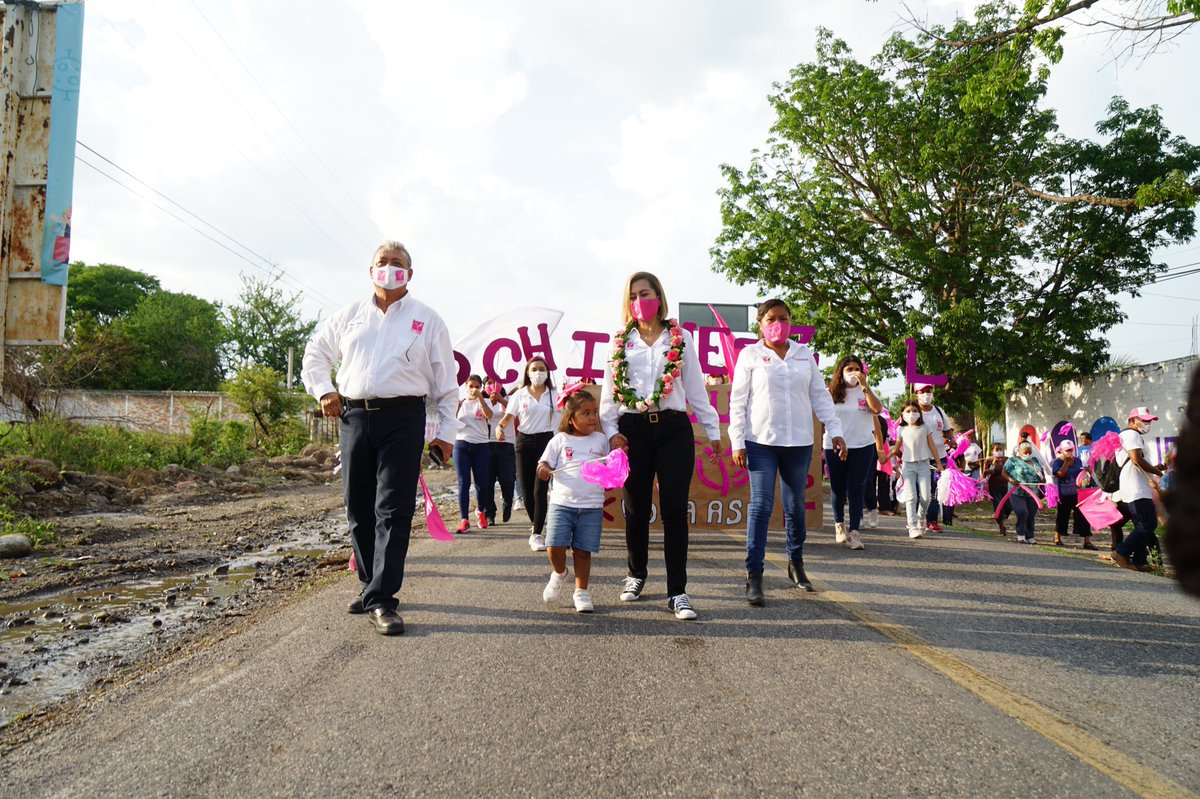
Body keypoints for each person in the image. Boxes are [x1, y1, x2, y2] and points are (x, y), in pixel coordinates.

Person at [300, 239, 457, 636]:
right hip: (354, 416)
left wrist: (446, 435)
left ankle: (384, 599)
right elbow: (315, 355)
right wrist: (324, 390)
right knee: (358, 505)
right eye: (382, 262)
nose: (389, 267)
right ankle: (370, 585)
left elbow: (446, 382)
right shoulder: (350, 315)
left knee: (393, 508)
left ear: (410, 273)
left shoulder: (427, 319)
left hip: (404, 418)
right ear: (370, 272)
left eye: (398, 262)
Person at [601, 272, 723, 620]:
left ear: (659, 296)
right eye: (634, 295)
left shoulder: (679, 339)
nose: (641, 301)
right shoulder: (619, 343)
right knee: (636, 507)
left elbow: (696, 389)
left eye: (647, 293)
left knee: (673, 509)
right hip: (632, 430)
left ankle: (677, 592)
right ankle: (636, 574)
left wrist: (712, 430)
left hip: (673, 429)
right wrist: (612, 433)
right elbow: (609, 395)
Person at [730, 299, 846, 605]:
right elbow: (738, 401)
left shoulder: (802, 354)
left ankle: (796, 564)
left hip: (798, 443)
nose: (778, 323)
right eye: (771, 318)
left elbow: (819, 396)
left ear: (791, 322)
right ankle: (754, 575)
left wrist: (835, 432)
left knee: (795, 508)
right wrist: (737, 441)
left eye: (783, 318)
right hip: (760, 442)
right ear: (760, 323)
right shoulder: (751, 354)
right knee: (761, 506)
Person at [536, 386, 610, 613]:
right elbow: (544, 463)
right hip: (561, 504)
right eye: (585, 413)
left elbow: (609, 467)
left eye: (595, 412)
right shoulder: (560, 440)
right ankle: (559, 573)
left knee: (582, 551)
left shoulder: (601, 440)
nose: (592, 417)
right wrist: (544, 470)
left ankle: (582, 592)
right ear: (570, 418)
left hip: (591, 506)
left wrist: (616, 466)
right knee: (553, 546)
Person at [497, 358, 557, 552]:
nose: (538, 372)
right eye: (534, 369)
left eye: (541, 369)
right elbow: (508, 416)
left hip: (546, 443)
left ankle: (537, 533)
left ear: (547, 372)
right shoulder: (520, 394)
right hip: (523, 443)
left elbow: (567, 415)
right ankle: (536, 524)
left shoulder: (554, 395)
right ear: (528, 373)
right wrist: (500, 427)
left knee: (540, 489)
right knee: (527, 490)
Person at [824, 355, 883, 550]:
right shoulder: (830, 393)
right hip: (835, 446)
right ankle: (839, 524)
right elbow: (820, 420)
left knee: (856, 486)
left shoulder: (864, 392)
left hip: (863, 446)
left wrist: (865, 386)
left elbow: (877, 409)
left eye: (857, 368)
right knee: (838, 488)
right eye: (849, 369)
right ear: (840, 372)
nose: (853, 372)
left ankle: (854, 531)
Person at [1111, 407, 1165, 571]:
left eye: (1149, 421)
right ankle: (1121, 552)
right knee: (1148, 524)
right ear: (1132, 420)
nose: (1147, 424)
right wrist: (1156, 472)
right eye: (1144, 420)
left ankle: (1140, 560)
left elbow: (1136, 462)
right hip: (1136, 487)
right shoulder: (1131, 434)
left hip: (1136, 485)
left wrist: (1156, 467)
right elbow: (1135, 460)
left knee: (1143, 524)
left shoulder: (1128, 435)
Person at [888, 401, 943, 539]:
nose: (911, 414)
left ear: (919, 413)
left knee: (926, 497)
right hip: (908, 466)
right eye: (908, 411)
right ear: (902, 414)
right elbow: (896, 448)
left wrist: (939, 464)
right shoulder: (901, 430)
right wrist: (886, 457)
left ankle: (921, 517)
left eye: (914, 411)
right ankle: (912, 526)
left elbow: (932, 446)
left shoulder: (925, 427)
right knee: (911, 497)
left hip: (924, 464)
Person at [454, 375, 493, 533]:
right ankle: (464, 519)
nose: (474, 389)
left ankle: (481, 511)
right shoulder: (461, 403)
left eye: (477, 386)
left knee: (481, 484)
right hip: (462, 445)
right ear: (465, 386)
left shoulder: (484, 402)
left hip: (481, 446)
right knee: (463, 483)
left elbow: (489, 415)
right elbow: (450, 420)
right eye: (471, 386)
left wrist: (481, 398)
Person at [914, 383, 954, 531]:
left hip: (939, 458)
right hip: (919, 457)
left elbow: (947, 430)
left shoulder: (939, 411)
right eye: (923, 392)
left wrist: (952, 439)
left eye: (929, 391)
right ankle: (919, 519)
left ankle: (932, 521)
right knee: (922, 491)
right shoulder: (913, 411)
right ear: (916, 394)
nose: (926, 395)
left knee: (936, 490)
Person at [482, 380, 516, 524]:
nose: (492, 385)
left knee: (507, 479)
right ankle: (490, 513)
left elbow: (514, 411)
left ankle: (507, 502)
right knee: (487, 481)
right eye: (489, 382)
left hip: (506, 443)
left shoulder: (510, 399)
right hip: (486, 443)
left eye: (495, 382)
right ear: (484, 386)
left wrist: (501, 400)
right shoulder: (481, 400)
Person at [1050, 440, 1093, 549]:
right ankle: (1057, 537)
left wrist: (1088, 471)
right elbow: (1059, 474)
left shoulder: (1078, 461)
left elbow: (1083, 475)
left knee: (1083, 516)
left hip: (1078, 493)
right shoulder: (1057, 462)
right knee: (1062, 515)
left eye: (1071, 450)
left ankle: (1087, 540)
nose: (1070, 452)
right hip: (1063, 493)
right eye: (1067, 450)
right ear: (1062, 451)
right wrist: (1066, 463)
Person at [1004, 440, 1044, 544]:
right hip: (1017, 492)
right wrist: (1011, 480)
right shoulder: (1013, 461)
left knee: (1031, 514)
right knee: (1022, 511)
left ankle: (1030, 536)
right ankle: (1021, 534)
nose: (1027, 454)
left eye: (1029, 452)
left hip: (1033, 493)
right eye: (1025, 452)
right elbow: (1004, 472)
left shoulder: (1035, 461)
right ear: (1019, 452)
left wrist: (1042, 478)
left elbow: (1041, 473)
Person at [863, 413, 893, 524]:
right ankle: (857, 515)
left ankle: (872, 508)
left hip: (871, 453)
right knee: (853, 483)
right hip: (851, 450)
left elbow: (882, 437)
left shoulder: (880, 421)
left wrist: (879, 452)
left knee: (867, 482)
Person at [982, 442, 1011, 536]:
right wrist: (990, 471)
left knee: (1009, 505)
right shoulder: (989, 460)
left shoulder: (1007, 459)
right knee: (998, 505)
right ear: (992, 451)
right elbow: (984, 473)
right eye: (996, 449)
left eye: (1000, 449)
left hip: (1006, 486)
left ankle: (1004, 516)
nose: (999, 451)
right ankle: (1001, 526)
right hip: (994, 486)